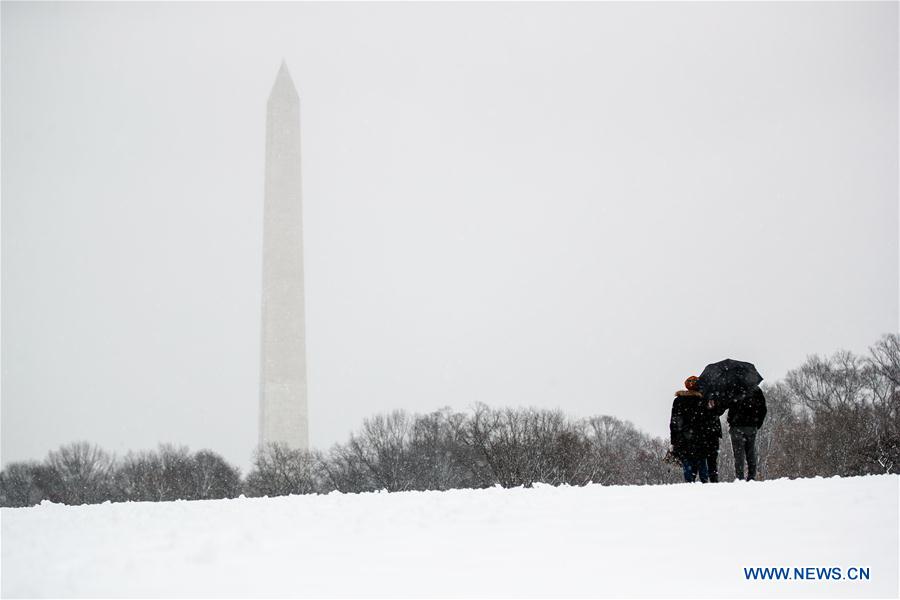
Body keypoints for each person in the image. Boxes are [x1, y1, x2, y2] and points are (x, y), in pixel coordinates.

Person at [669, 376, 708, 483]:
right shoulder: (701, 401)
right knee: (701, 462)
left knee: (687, 462)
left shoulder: (678, 401)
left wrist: (673, 440)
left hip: (682, 437)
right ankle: (706, 486)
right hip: (699, 437)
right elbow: (705, 421)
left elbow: (674, 421)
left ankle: (689, 484)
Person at [727, 386, 767, 480]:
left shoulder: (734, 389)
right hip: (751, 426)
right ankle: (751, 476)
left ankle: (740, 477)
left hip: (737, 426)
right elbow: (763, 409)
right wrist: (758, 423)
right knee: (751, 452)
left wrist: (730, 420)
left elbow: (728, 405)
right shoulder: (756, 390)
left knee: (738, 454)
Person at [698, 396, 727, 482]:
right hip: (709, 432)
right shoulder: (705, 397)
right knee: (709, 459)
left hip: (708, 433)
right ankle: (711, 479)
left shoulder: (707, 397)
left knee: (710, 459)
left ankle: (709, 479)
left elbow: (720, 410)